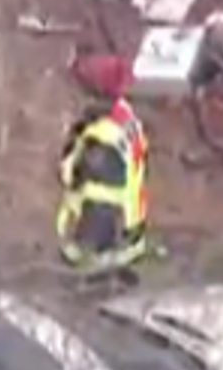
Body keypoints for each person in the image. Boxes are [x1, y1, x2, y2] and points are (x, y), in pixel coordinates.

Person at [56, 94, 151, 275]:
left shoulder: (97, 135)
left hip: (103, 209)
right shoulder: (130, 125)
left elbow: (69, 173)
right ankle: (120, 251)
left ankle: (93, 253)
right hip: (130, 218)